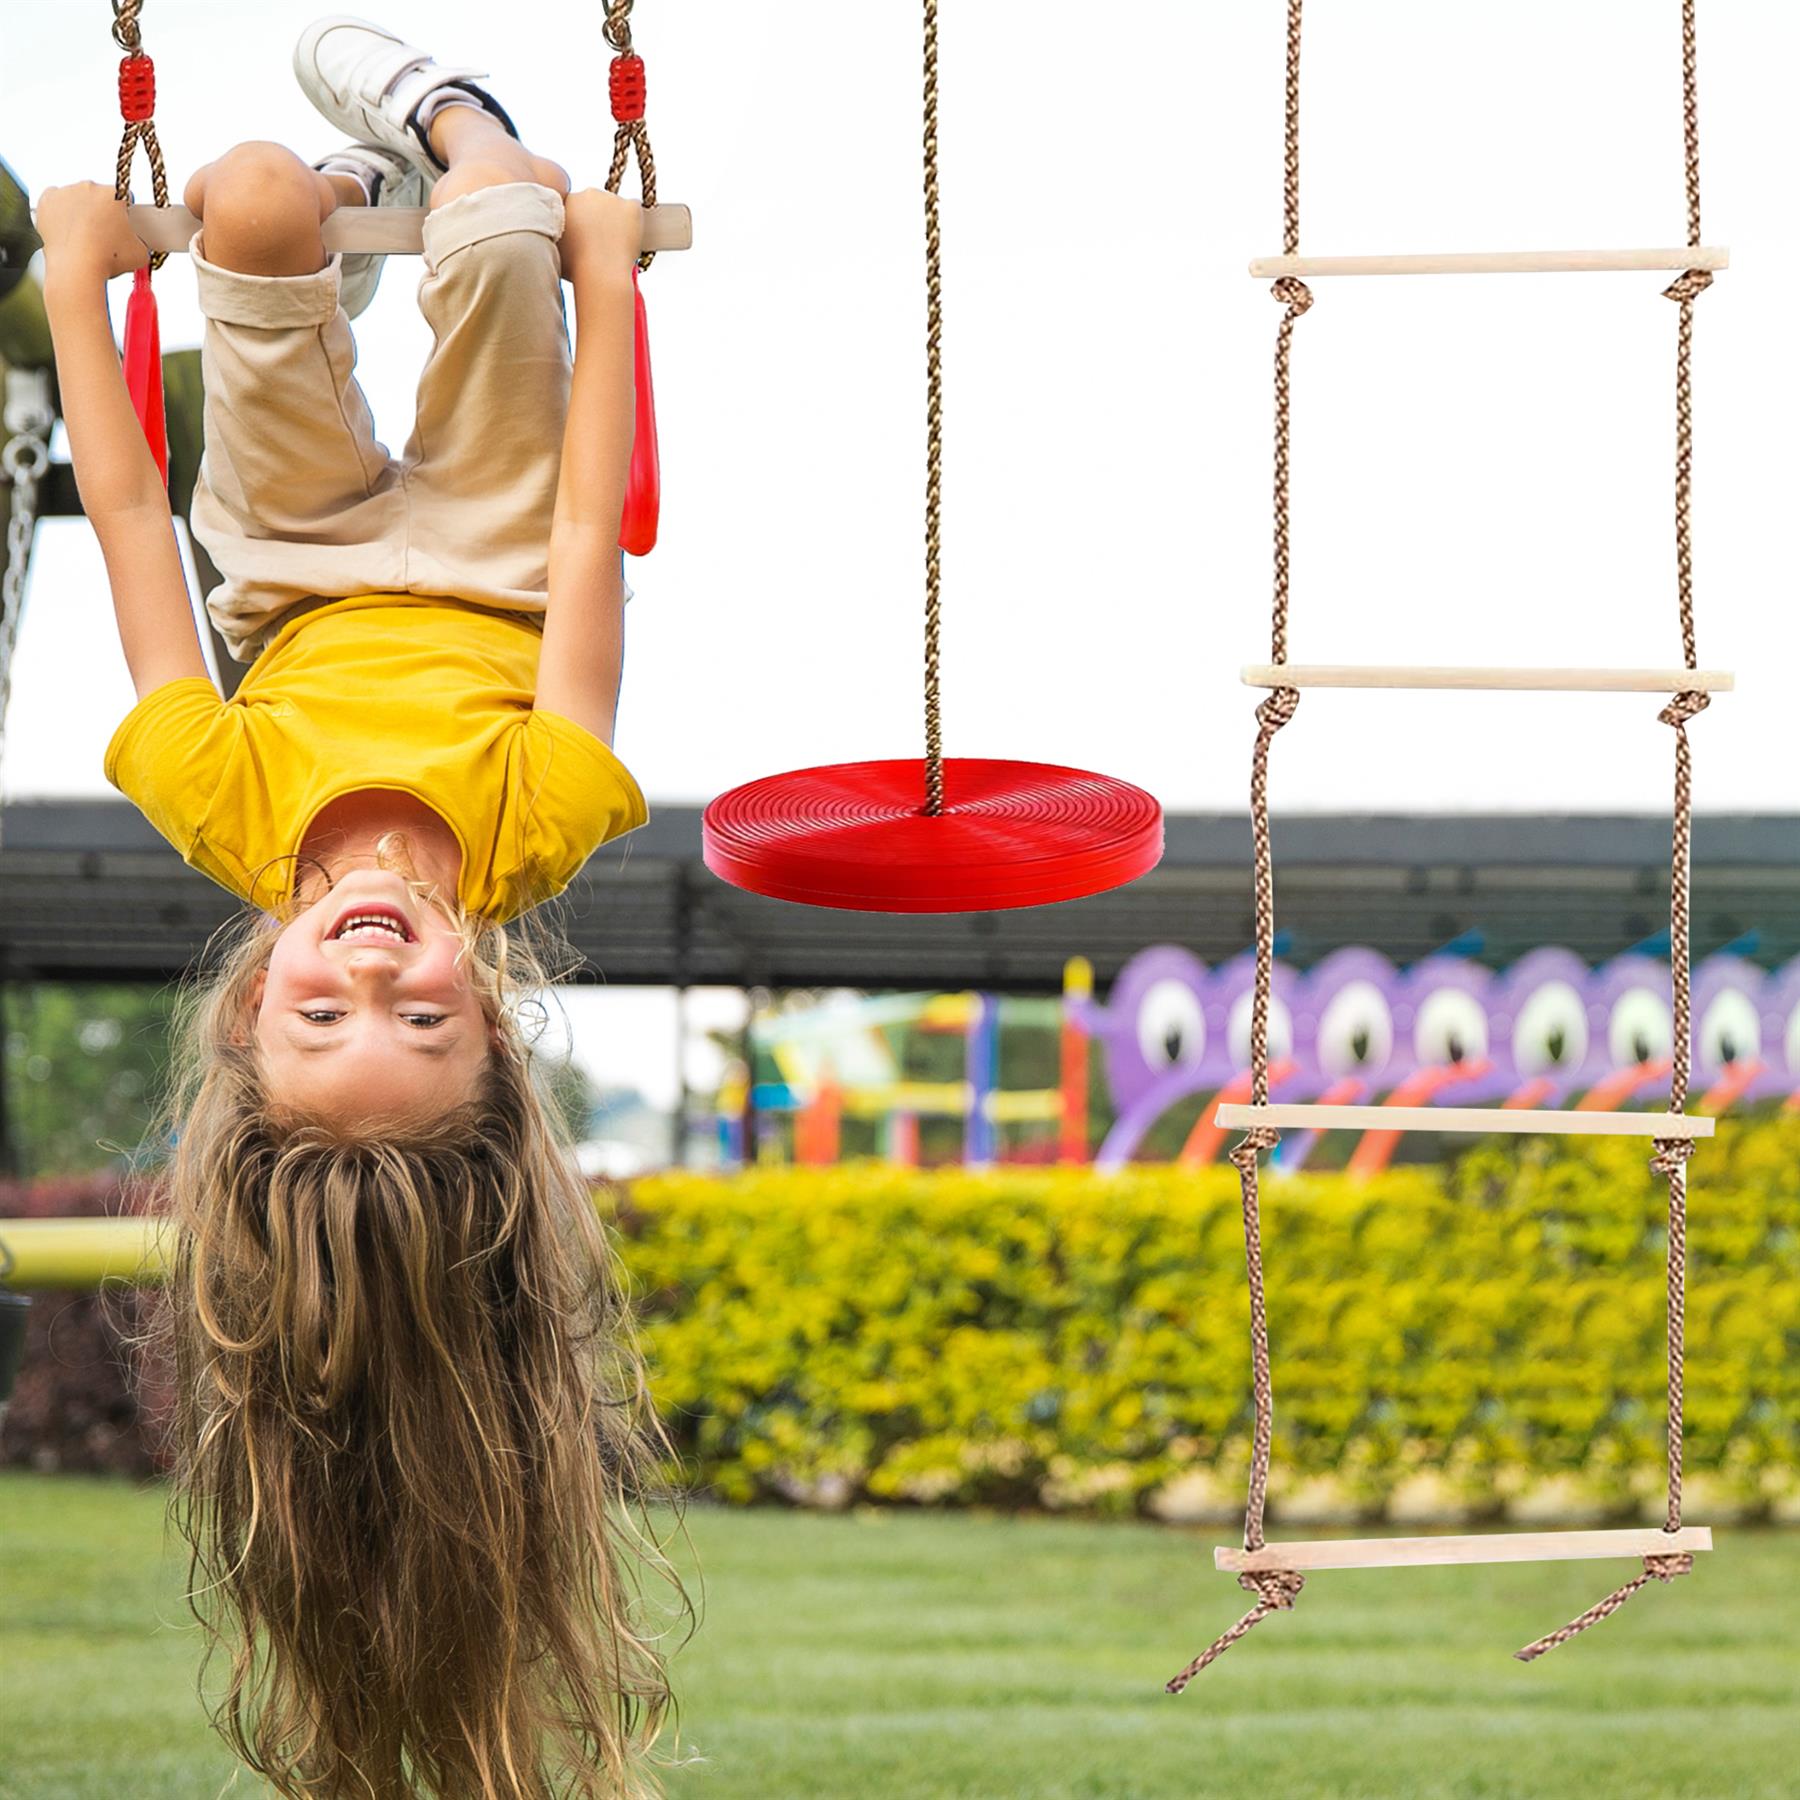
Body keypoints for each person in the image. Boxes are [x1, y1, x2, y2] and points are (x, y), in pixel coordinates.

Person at [36, 18, 678, 1796]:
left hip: (294, 559)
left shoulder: (221, 805)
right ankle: (445, 127)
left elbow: (126, 513)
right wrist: (602, 290)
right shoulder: (542, 819)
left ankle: (330, 204)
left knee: (238, 199)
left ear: (253, 1009)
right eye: (429, 1021)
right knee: (506, 214)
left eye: (326, 1017)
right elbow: (579, 567)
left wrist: (80, 284)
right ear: (498, 1017)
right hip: (493, 544)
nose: (375, 977)